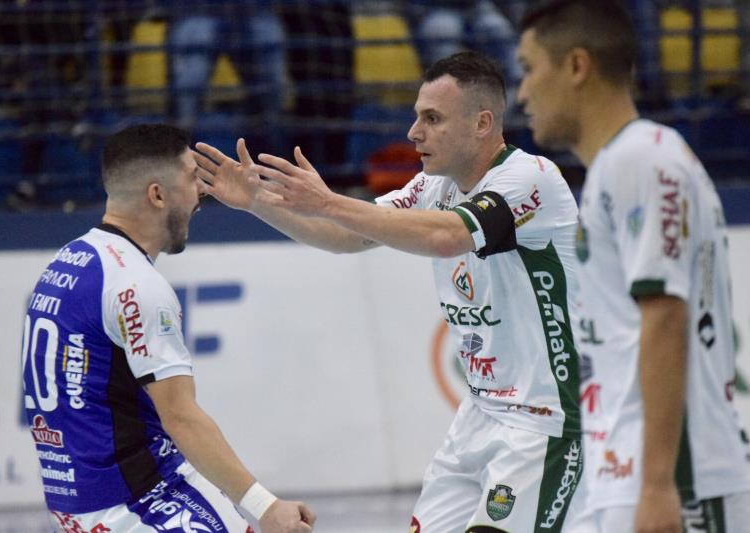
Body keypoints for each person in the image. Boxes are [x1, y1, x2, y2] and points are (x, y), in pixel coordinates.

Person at [196, 51, 583, 532]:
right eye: (417, 116)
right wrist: (258, 204)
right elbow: (346, 237)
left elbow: (447, 237)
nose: (413, 132)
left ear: (482, 123)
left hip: (541, 422)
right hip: (478, 417)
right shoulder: (432, 186)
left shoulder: (531, 180)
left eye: (432, 118)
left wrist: (330, 201)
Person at [516, 1, 750, 532]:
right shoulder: (619, 166)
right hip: (626, 469)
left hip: (677, 480)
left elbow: (665, 316)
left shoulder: (640, 159)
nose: (523, 93)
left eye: (530, 69)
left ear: (577, 66)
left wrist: (656, 485)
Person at [20, 123, 316, 533]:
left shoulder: (70, 259)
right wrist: (265, 507)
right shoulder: (136, 286)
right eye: (194, 178)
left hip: (76, 502)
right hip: (138, 501)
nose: (203, 193)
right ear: (157, 195)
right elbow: (181, 417)